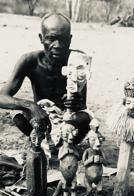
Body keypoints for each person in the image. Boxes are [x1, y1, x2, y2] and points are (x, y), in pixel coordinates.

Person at [0, 12, 91, 150]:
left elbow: (81, 104)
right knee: (18, 116)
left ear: (70, 39)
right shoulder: (30, 60)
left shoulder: (78, 60)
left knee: (86, 118)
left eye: (63, 39)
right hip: (41, 119)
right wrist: (31, 106)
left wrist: (75, 103)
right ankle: (41, 142)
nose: (58, 45)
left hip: (69, 120)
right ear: (41, 38)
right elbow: (1, 97)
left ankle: (66, 146)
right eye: (51, 38)